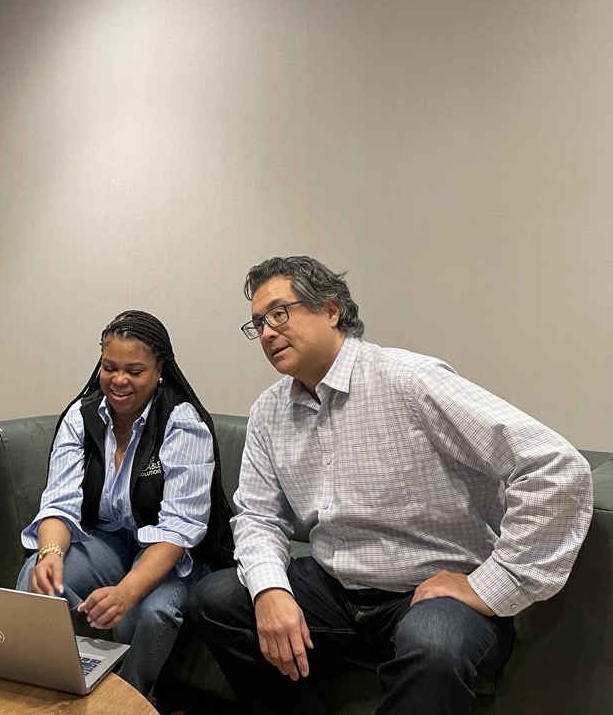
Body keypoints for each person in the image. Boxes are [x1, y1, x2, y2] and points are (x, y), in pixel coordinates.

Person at [189, 256, 593, 715]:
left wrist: (491, 585)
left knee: (433, 643)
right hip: (335, 590)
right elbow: (258, 516)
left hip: (428, 592)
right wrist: (270, 591)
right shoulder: (269, 410)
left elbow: (554, 465)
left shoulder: (409, 380)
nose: (266, 332)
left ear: (330, 310)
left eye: (279, 314)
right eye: (257, 323)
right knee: (215, 598)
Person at [17, 310, 234, 697]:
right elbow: (60, 505)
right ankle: (51, 688)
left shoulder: (183, 423)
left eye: (134, 370)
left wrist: (127, 592)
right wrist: (49, 553)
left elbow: (177, 531)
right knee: (36, 576)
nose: (118, 380)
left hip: (177, 552)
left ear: (159, 370)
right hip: (112, 540)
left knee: (150, 612)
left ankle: (129, 697)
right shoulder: (80, 417)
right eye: (109, 367)